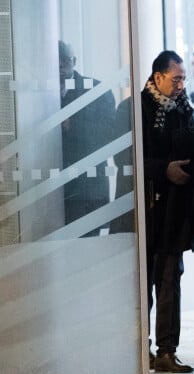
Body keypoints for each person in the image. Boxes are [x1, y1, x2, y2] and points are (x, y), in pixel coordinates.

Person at [142, 50, 194, 373]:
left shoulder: (183, 110)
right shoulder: (136, 110)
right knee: (141, 284)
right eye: (176, 79)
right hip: (146, 210)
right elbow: (128, 159)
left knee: (170, 280)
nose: (180, 85)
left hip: (176, 211)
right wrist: (164, 170)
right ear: (157, 77)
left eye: (183, 79)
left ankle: (166, 351)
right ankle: (138, 348)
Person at [59, 40, 116, 236]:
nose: (59, 68)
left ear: (74, 61)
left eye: (64, 61)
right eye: (54, 62)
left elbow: (108, 135)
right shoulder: (34, 94)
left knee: (86, 255)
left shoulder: (96, 90)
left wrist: (72, 126)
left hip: (87, 192)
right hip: (50, 194)